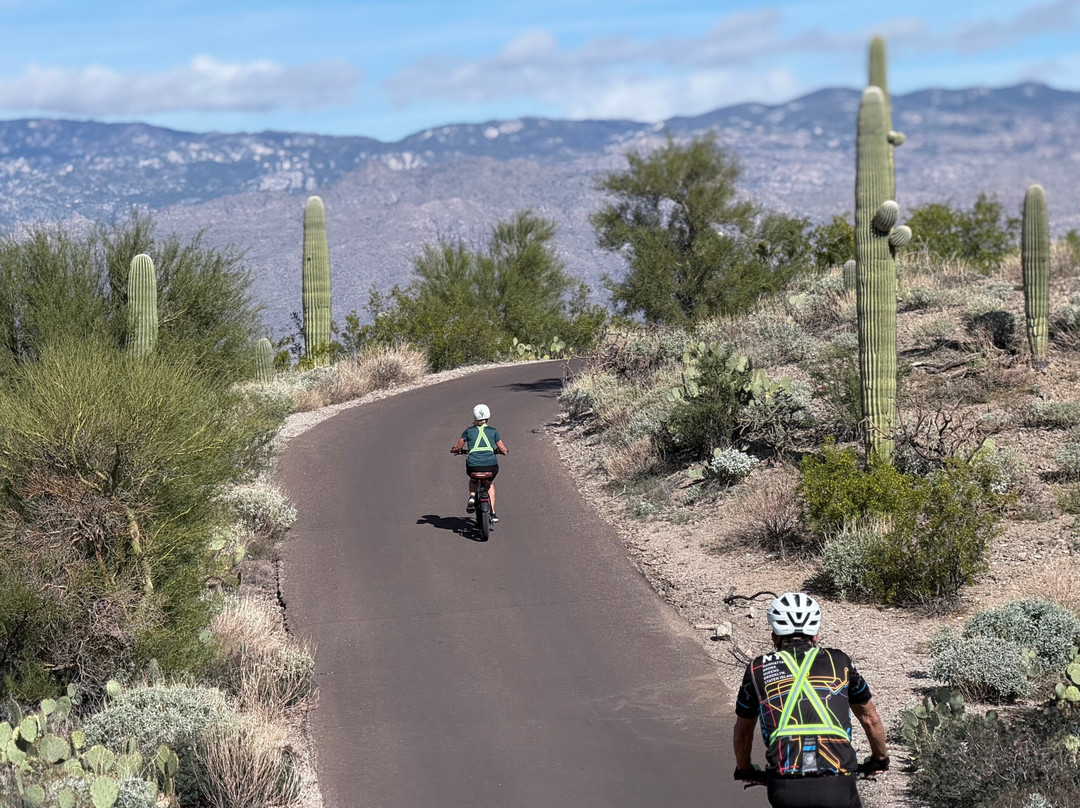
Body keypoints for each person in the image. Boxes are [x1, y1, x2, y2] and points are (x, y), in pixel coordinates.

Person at [732, 592, 889, 808]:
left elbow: (743, 731)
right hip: (837, 782)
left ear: (774, 638)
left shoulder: (757, 669)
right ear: (815, 636)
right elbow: (871, 720)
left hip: (785, 786)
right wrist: (879, 759)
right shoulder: (840, 661)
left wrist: (744, 768)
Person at [451, 403, 508, 523]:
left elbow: (458, 446)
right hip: (491, 465)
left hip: (474, 465)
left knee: (473, 480)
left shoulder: (468, 431)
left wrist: (455, 450)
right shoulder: (493, 431)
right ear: (488, 416)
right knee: (489, 484)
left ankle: (472, 496)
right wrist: (501, 451)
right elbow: (503, 450)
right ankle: (493, 513)